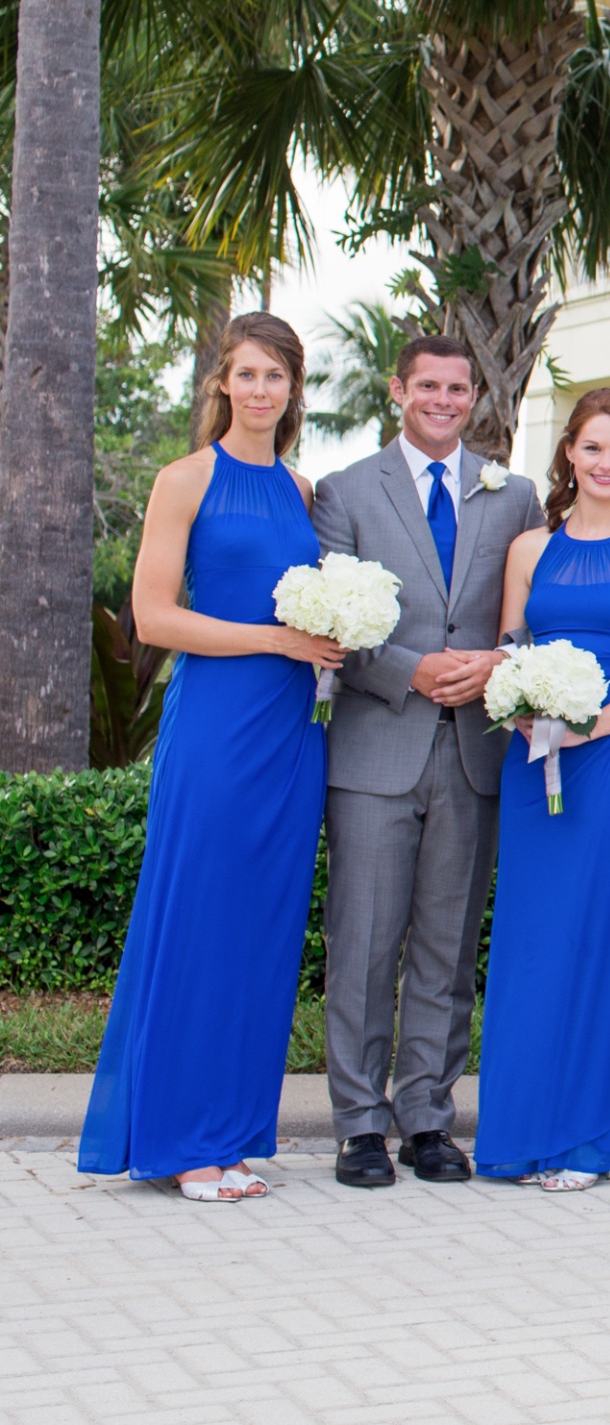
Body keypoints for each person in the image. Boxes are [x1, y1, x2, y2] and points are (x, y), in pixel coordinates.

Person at [79, 314, 338, 1202]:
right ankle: (180, 1141)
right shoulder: (184, 480)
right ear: (221, 384)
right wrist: (278, 638)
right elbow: (153, 618)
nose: (261, 390)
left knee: (263, 929)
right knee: (200, 916)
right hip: (219, 727)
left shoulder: (304, 492)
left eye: (277, 376)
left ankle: (229, 1136)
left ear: (295, 389)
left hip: (292, 732)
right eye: (247, 374)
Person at [310, 336, 544, 1189]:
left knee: (446, 949)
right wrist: (410, 668)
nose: (443, 400)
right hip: (377, 748)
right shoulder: (345, 493)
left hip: (475, 753)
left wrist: (495, 662)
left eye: (457, 387)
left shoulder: (512, 495)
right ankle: (359, 1125)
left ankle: (427, 1118)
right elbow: (331, 621)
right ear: (398, 391)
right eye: (428, 387)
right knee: (364, 943)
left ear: (475, 395)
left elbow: (528, 614)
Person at [472, 389, 610, 1190]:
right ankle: (521, 1129)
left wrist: (592, 723)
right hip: (535, 763)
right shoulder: (529, 550)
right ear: (569, 452)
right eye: (593, 447)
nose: (607, 464)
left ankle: (586, 1141)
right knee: (535, 944)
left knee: (603, 944)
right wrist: (520, 708)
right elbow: (509, 645)